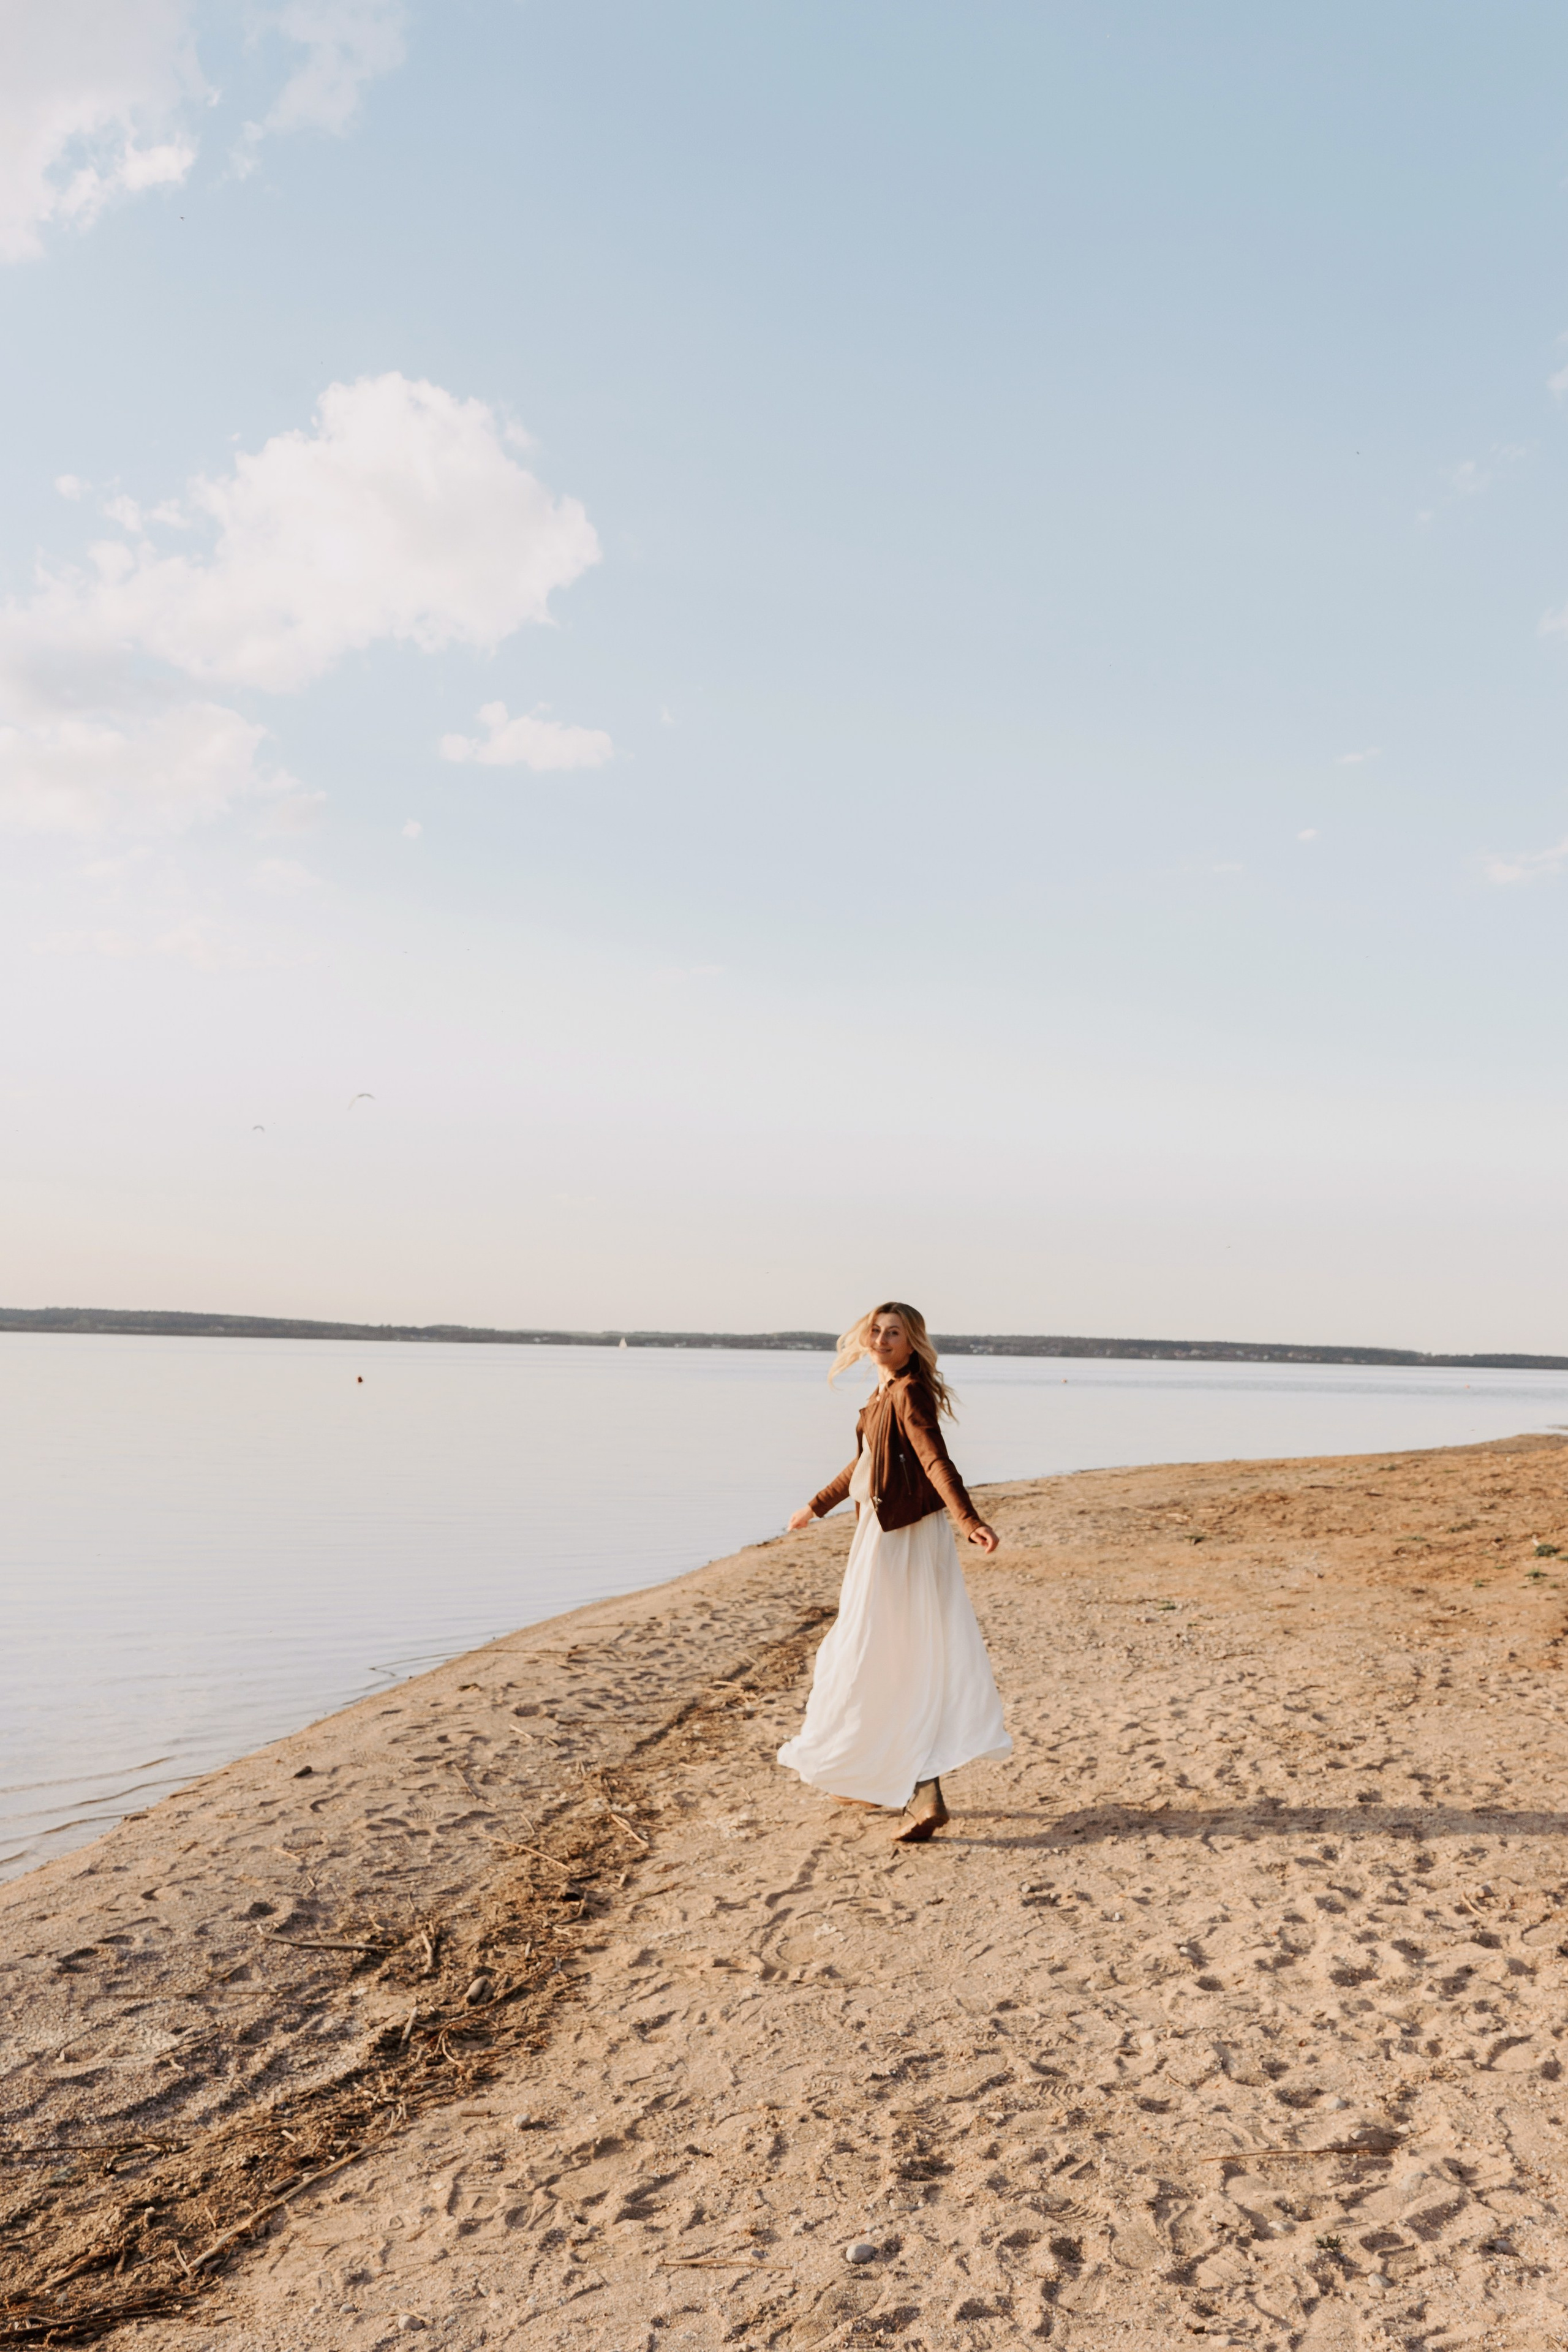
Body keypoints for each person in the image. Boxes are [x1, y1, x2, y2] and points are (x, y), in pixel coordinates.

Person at [777, 1301, 1011, 1842]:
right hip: (886, 1534)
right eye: (876, 1331)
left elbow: (935, 1459)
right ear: (865, 1340)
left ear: (912, 1344)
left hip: (898, 1541)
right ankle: (874, 1774)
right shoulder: (882, 1395)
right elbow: (862, 1464)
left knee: (873, 1653)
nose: (882, 1339)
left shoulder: (907, 1393)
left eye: (894, 1333)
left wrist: (969, 1520)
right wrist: (814, 1506)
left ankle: (920, 1791)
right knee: (879, 1652)